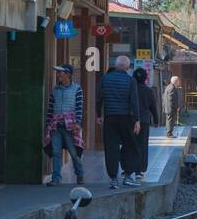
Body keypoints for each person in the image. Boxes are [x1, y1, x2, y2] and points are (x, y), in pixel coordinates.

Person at [96, 55, 141, 188]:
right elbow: (134, 102)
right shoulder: (130, 80)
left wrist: (99, 115)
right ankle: (127, 175)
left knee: (111, 148)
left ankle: (113, 179)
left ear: (116, 65)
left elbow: (99, 98)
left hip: (110, 117)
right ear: (127, 67)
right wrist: (137, 120)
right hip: (126, 118)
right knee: (129, 145)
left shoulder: (105, 78)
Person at [44, 64, 85, 186]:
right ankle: (56, 178)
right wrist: (47, 125)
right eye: (58, 73)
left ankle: (80, 174)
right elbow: (50, 108)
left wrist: (77, 123)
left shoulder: (77, 89)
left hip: (71, 126)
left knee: (74, 153)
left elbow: (79, 107)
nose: (58, 75)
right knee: (56, 152)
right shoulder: (55, 90)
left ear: (68, 74)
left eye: (60, 73)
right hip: (56, 125)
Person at [131, 67, 159, 181]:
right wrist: (156, 120)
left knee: (130, 144)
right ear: (145, 79)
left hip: (131, 120)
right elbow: (153, 107)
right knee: (142, 145)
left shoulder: (130, 89)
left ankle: (127, 168)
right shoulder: (148, 91)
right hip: (144, 121)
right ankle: (139, 170)